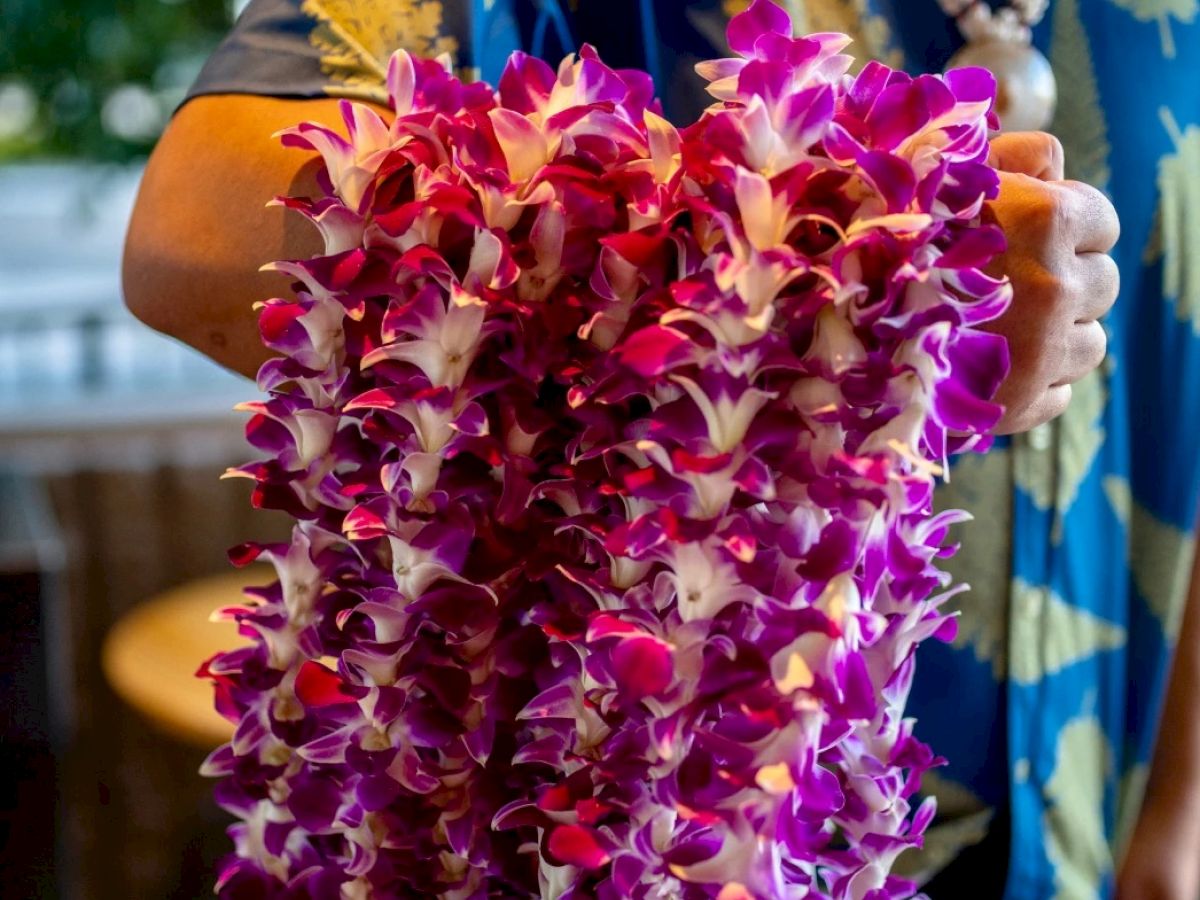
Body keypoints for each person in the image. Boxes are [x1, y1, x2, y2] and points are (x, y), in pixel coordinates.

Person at [121, 2, 1197, 897]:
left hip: (1099, 821)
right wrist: (845, 255)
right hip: (636, 818)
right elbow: (189, 229)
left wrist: (1177, 837)